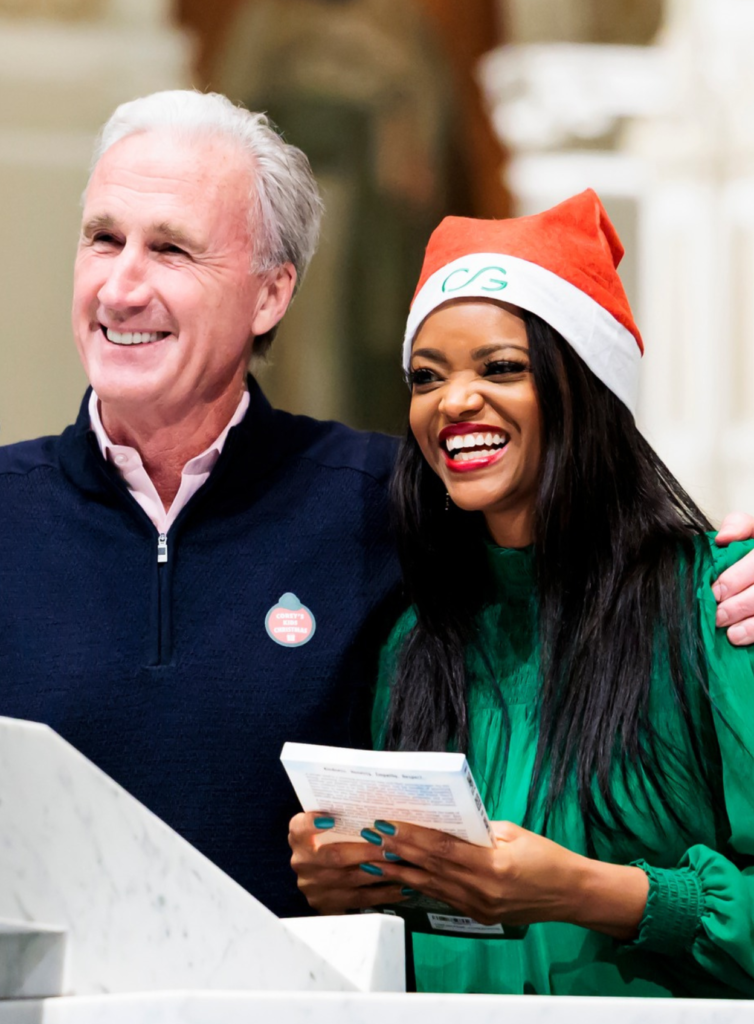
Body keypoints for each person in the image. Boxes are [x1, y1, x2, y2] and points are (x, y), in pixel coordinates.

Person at [289, 191, 754, 996]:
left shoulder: (717, 602)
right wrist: (358, 891)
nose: (453, 401)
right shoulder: (418, 642)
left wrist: (593, 892)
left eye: (501, 367)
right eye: (426, 377)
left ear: (588, 386)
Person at [0, 90, 402, 918]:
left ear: (270, 295)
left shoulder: (386, 500)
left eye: (172, 250)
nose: (120, 287)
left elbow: (599, 578)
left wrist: (728, 572)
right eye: (103, 239)